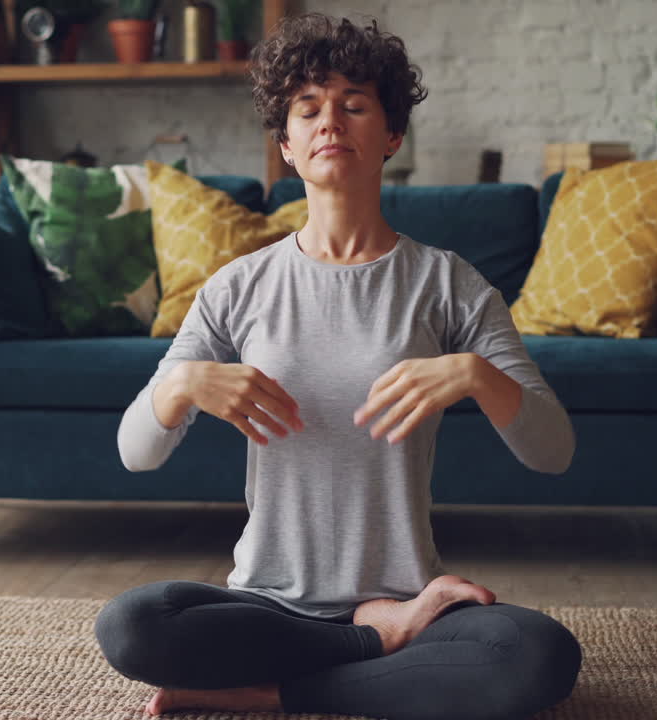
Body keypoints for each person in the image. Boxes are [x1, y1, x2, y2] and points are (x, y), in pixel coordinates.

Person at [96, 12, 581, 720]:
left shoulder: (448, 284)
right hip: (267, 606)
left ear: (391, 135)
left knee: (537, 655)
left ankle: (277, 692)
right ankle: (371, 647)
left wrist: (477, 375)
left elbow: (554, 451)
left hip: (408, 595)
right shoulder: (237, 287)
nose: (329, 121)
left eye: (354, 104)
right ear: (286, 145)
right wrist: (183, 385)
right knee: (132, 625)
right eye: (307, 108)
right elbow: (135, 451)